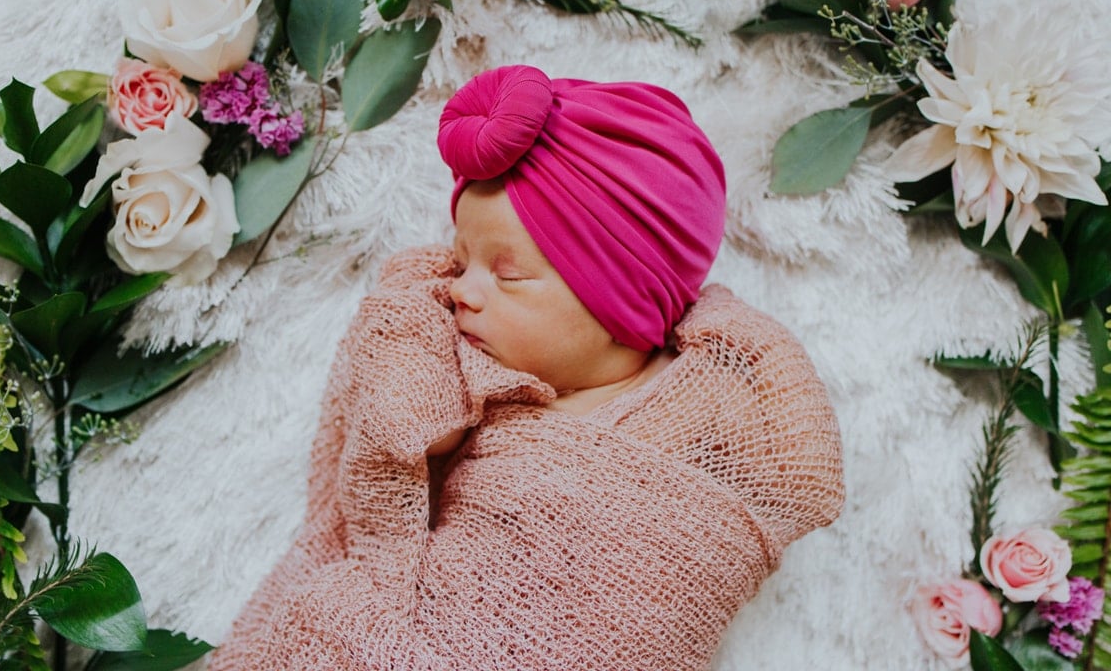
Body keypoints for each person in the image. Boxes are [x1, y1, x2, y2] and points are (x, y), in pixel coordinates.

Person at [209, 65, 845, 670]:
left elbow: (792, 480)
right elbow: (399, 436)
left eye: (506, 273)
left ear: (621, 295)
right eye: (462, 263)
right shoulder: (479, 379)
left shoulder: (709, 394)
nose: (462, 290)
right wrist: (411, 318)